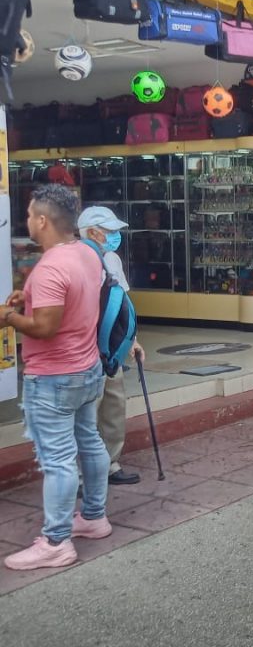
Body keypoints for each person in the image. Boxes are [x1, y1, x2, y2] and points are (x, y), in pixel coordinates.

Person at [3, 186, 109, 571]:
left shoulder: (50, 266)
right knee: (90, 443)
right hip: (86, 370)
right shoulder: (86, 253)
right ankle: (94, 517)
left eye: (30, 215)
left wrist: (9, 317)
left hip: (53, 378)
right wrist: (27, 299)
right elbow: (71, 303)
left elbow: (45, 327)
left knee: (59, 461)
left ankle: (56, 541)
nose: (27, 221)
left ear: (43, 221)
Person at [77, 207, 145, 486]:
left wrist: (133, 340)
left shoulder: (112, 259)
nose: (115, 236)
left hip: (113, 350)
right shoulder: (76, 260)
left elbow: (123, 304)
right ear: (92, 232)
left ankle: (110, 464)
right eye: (110, 231)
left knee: (114, 408)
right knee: (88, 412)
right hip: (86, 350)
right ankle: (82, 475)